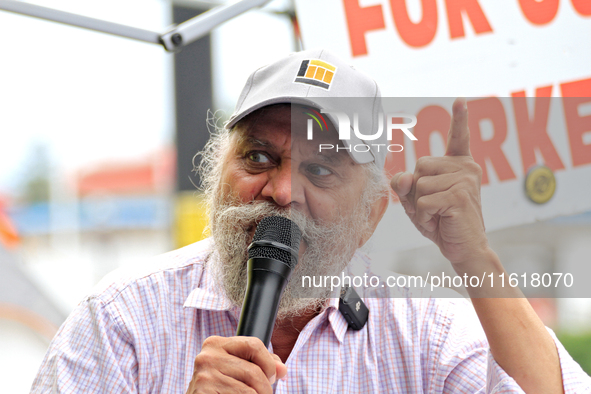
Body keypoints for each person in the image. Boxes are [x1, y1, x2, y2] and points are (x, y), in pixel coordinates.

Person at [32, 49, 590, 393]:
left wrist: (475, 258)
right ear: (217, 170)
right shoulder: (122, 319)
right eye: (258, 158)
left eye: (320, 170)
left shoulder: (424, 330)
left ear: (371, 216)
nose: (279, 192)